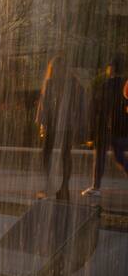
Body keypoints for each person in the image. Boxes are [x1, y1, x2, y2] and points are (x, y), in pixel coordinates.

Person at [36, 55, 87, 200]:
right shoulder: (72, 83)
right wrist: (81, 123)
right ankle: (61, 186)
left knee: (49, 154)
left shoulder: (52, 82)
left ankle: (54, 185)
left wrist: (41, 122)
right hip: (64, 125)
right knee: (64, 155)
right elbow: (44, 103)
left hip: (57, 124)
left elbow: (43, 104)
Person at [82, 54, 128, 196]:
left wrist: (92, 128)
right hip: (121, 127)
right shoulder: (125, 84)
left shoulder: (105, 85)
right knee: (119, 156)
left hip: (105, 127)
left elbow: (95, 107)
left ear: (112, 68)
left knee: (100, 157)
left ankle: (96, 187)